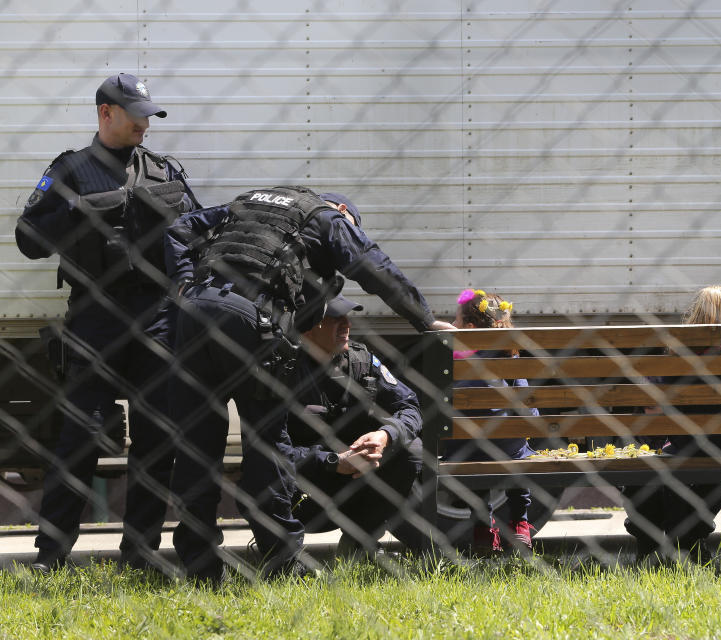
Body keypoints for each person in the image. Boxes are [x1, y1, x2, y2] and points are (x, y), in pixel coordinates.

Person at [163, 187, 454, 582]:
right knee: (268, 443)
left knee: (197, 444)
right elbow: (375, 267)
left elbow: (179, 228)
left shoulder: (251, 201)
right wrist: (425, 319)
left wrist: (182, 282)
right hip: (252, 322)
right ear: (344, 215)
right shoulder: (328, 218)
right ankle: (282, 563)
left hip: (194, 312)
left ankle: (199, 566)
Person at [15, 73, 200, 573]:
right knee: (81, 437)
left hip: (158, 318)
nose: (145, 123)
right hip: (96, 317)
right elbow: (28, 239)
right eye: (136, 114)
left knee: (156, 439)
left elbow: (198, 233)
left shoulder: (164, 171)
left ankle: (139, 555)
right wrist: (80, 211)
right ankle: (50, 556)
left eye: (148, 115)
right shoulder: (68, 170)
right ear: (105, 113)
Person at [622, 286, 721, 567]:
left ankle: (678, 541)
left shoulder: (678, 350)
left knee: (669, 459)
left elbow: (657, 402)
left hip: (689, 442)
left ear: (694, 316)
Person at [280, 290, 422, 557]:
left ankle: (359, 543)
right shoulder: (284, 369)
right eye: (335, 318)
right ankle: (282, 556)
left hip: (360, 480)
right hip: (305, 489)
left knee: (411, 449)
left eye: (347, 316)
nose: (346, 324)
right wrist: (334, 461)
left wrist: (385, 435)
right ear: (307, 327)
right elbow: (271, 449)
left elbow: (409, 407)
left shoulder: (362, 360)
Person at [445, 288, 538, 553]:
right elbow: (528, 413)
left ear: (471, 328)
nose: (452, 325)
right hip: (507, 451)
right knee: (519, 447)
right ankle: (520, 523)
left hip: (463, 452)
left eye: (457, 321)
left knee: (474, 451)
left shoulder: (452, 360)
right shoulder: (510, 358)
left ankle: (482, 528)